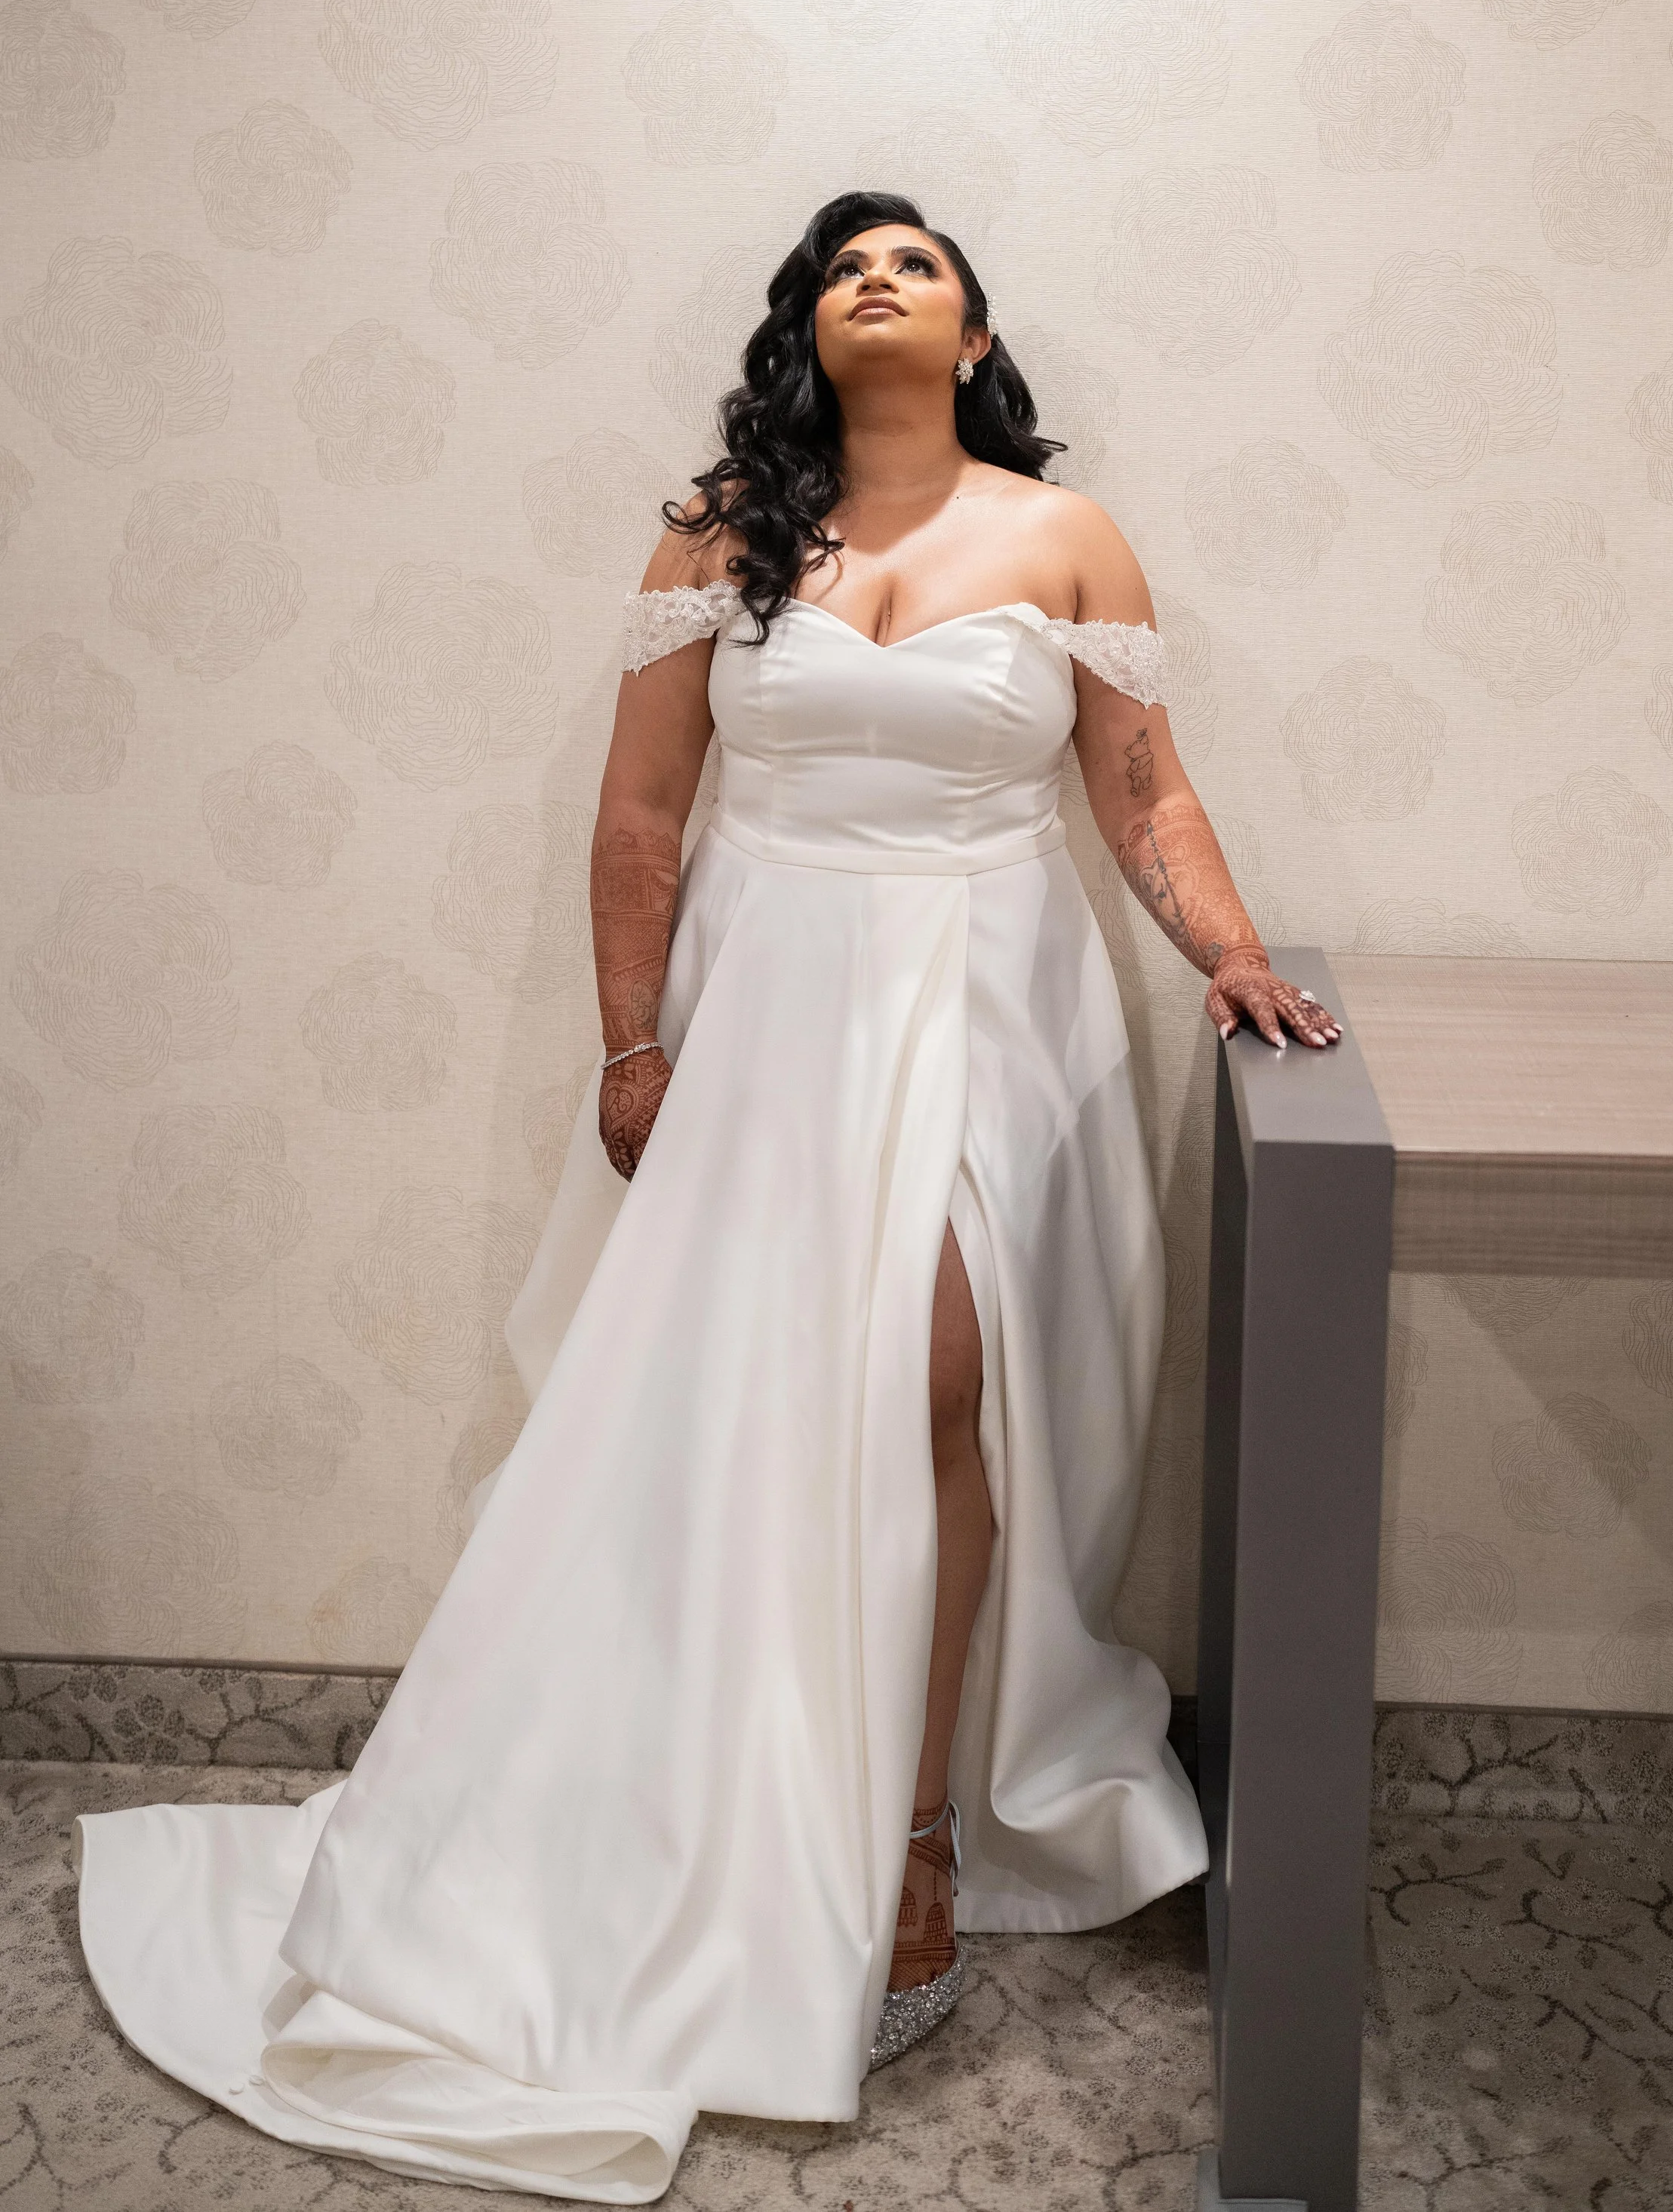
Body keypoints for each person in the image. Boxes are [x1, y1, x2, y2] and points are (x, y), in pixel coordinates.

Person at [70, 191, 1340, 2204]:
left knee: (939, 1376)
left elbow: (1136, 788)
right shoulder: (719, 525)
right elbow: (643, 808)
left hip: (990, 1001)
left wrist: (1228, 951)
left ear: (972, 319)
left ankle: (918, 1832)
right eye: (842, 262)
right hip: (772, 1013)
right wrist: (628, 1044)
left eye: (912, 257)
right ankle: (733, 1800)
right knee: (749, 1414)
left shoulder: (1061, 533)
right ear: (802, 326)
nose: (876, 277)